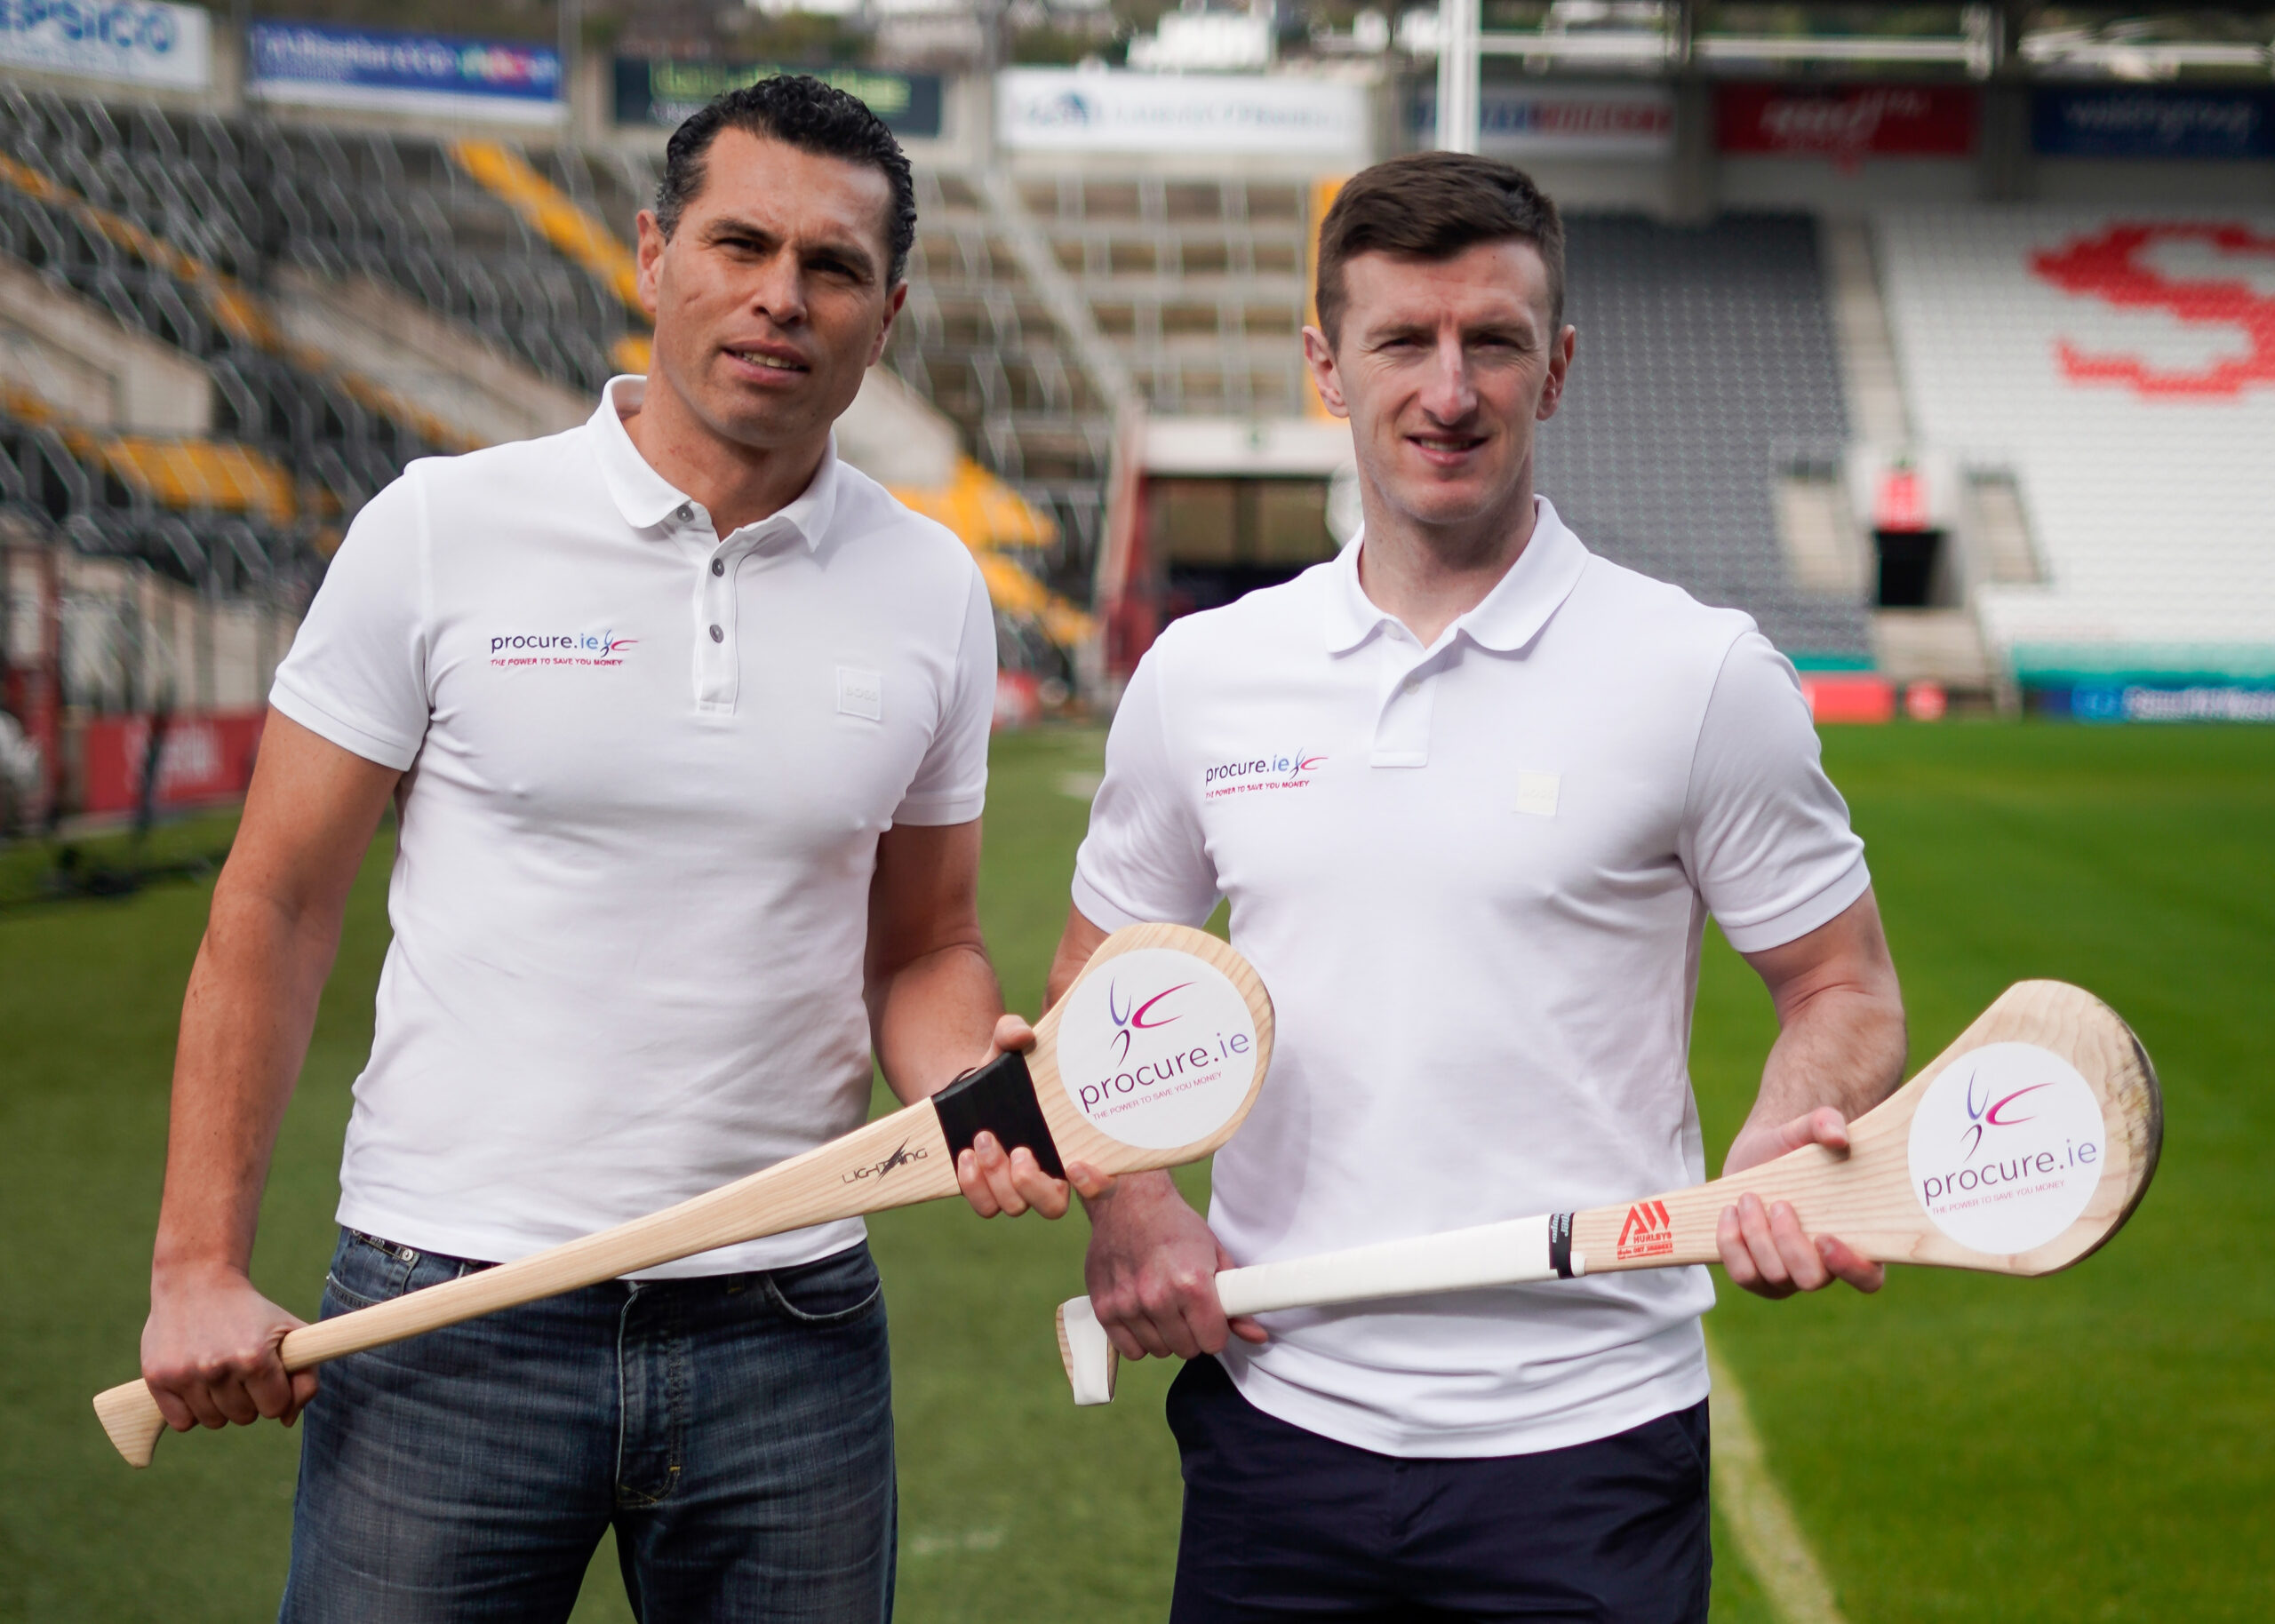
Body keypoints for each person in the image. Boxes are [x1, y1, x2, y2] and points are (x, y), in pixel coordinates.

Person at [137, 77, 1066, 1621]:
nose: (782, 297)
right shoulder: (440, 527)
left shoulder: (933, 586)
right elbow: (279, 903)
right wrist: (193, 1265)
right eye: (741, 244)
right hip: (449, 1304)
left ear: (887, 315)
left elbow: (925, 943)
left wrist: (972, 1086)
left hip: (786, 1321)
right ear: (652, 254)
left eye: (833, 267)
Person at [1054, 152, 1906, 1620]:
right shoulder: (1205, 675)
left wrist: (1786, 1129)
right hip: (1279, 1417)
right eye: (1402, 341)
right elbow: (1093, 986)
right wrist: (1129, 1201)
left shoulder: (1698, 672)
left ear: (1555, 368)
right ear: (1327, 366)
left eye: (1492, 343)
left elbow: (1844, 985)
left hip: (1590, 1440)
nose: (1448, 391)